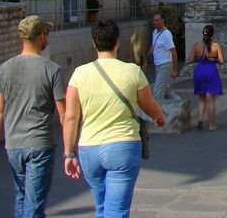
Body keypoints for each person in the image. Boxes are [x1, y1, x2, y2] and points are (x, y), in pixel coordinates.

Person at [63, 19, 165, 218]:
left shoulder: (79, 74)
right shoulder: (132, 71)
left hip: (89, 147)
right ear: (118, 41)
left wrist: (69, 153)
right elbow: (148, 104)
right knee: (117, 211)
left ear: (93, 43)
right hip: (122, 145)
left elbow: (70, 117)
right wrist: (158, 116)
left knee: (101, 208)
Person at [0, 15, 66, 218]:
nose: (48, 38)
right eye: (46, 33)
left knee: (21, 199)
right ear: (39, 37)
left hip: (13, 146)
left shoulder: (4, 70)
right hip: (39, 144)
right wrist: (71, 149)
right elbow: (65, 116)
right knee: (34, 206)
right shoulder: (52, 70)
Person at [188, 24, 224, 130]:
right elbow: (222, 61)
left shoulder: (196, 46)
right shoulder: (215, 46)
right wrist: (214, 60)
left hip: (199, 70)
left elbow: (190, 59)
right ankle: (211, 124)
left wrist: (199, 59)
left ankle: (200, 118)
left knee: (201, 97)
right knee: (211, 99)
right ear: (212, 35)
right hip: (211, 70)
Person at [142, 13, 177, 100]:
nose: (154, 22)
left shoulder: (166, 34)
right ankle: (180, 104)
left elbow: (173, 51)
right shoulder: (155, 32)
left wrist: (175, 69)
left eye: (156, 20)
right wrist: (146, 61)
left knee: (157, 92)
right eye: (153, 20)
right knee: (166, 89)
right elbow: (152, 46)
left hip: (165, 64)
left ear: (162, 21)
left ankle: (157, 111)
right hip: (158, 65)